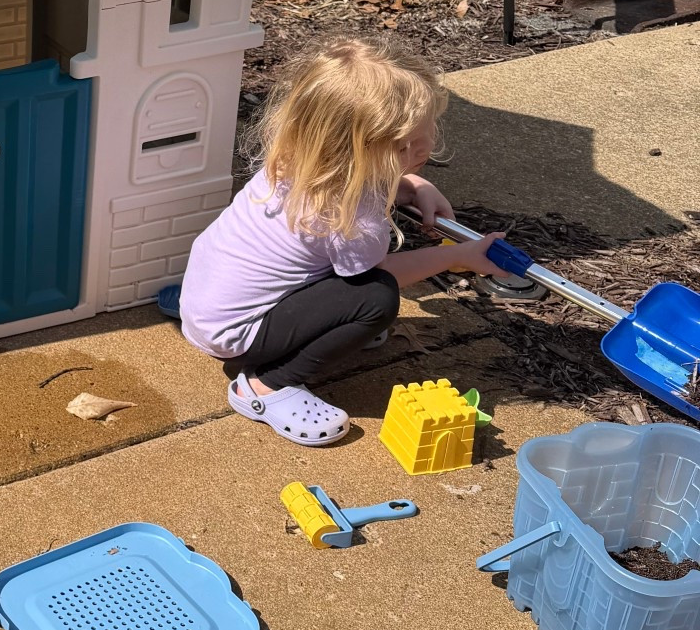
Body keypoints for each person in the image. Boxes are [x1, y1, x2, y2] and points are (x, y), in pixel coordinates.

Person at [169, 39, 511, 447]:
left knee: (354, 292)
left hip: (206, 308)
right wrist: (463, 255)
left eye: (425, 128)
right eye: (405, 145)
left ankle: (311, 338)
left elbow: (371, 184)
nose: (424, 146)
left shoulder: (296, 162)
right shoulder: (353, 218)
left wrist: (413, 184)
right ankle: (266, 386)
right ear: (357, 151)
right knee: (376, 301)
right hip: (238, 338)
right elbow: (379, 277)